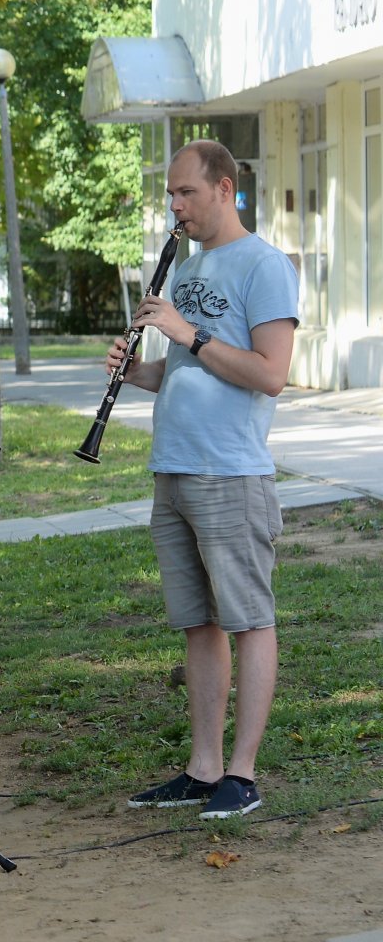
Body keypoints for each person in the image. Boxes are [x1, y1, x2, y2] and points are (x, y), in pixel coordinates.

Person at [113, 140, 297, 821]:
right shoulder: (188, 268)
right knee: (198, 624)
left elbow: (269, 373)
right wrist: (139, 371)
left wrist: (185, 332)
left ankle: (242, 775)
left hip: (231, 472)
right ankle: (203, 768)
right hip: (174, 466)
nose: (176, 206)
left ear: (224, 188)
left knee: (249, 620)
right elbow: (189, 367)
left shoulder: (265, 265)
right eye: (171, 194)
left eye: (186, 192)